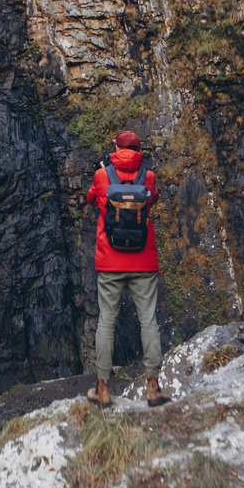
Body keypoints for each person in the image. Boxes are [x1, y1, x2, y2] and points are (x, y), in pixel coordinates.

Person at [86, 130, 171, 408]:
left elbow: (91, 199)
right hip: (143, 259)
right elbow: (153, 199)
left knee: (106, 321)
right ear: (139, 150)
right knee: (148, 320)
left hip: (110, 260)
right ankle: (153, 387)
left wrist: (105, 175)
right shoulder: (147, 177)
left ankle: (102, 389)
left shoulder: (102, 177)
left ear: (116, 147)